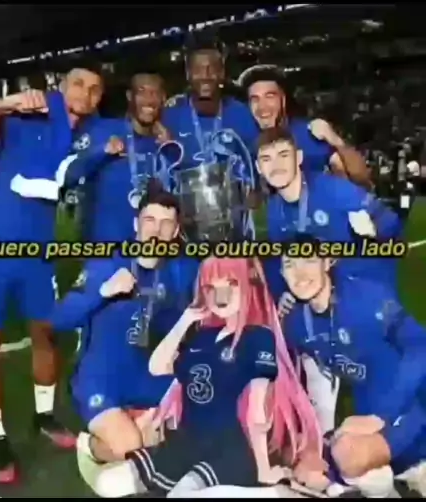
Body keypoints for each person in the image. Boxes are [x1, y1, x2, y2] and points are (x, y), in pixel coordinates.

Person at [0, 61, 104, 483]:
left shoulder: (90, 133)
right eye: (78, 83)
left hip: (37, 254)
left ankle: (44, 415)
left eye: (95, 88)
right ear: (62, 84)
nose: (85, 93)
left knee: (46, 333)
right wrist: (5, 103)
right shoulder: (27, 113)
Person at [92, 256, 325, 498]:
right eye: (211, 288)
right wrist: (185, 320)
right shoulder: (203, 337)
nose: (220, 296)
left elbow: (258, 411)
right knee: (107, 483)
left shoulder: (258, 337)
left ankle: (276, 494)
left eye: (231, 284)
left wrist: (263, 469)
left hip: (231, 448)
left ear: (248, 285)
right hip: (187, 442)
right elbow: (157, 366)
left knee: (180, 496)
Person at [258, 126, 401, 438]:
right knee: (315, 364)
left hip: (366, 298)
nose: (276, 165)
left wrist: (373, 234)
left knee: (382, 398)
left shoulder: (334, 191)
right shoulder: (274, 212)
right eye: (267, 159)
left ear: (298, 158)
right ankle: (322, 436)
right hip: (323, 302)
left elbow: (390, 224)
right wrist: (286, 291)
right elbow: (285, 259)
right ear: (259, 167)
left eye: (283, 155)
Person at [50, 186, 196, 470]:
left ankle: (142, 425)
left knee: (200, 421)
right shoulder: (108, 263)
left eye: (166, 223)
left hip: (145, 373)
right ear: (136, 224)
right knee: (133, 448)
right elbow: (59, 319)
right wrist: (102, 292)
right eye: (150, 220)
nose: (157, 230)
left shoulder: (180, 269)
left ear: (176, 231)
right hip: (100, 377)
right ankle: (90, 446)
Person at [280, 236, 426, 498]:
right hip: (367, 421)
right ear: (281, 273)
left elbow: (420, 345)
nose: (300, 274)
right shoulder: (297, 324)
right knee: (305, 466)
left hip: (412, 409)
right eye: (290, 264)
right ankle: (386, 483)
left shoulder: (365, 298)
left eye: (309, 261)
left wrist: (380, 415)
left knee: (347, 456)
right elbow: (311, 380)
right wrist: (317, 441)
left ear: (327, 262)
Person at [60, 70, 180, 243]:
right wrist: (103, 151)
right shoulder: (104, 131)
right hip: (106, 250)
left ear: (163, 98)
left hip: (151, 249)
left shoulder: (165, 142)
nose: (149, 99)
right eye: (141, 91)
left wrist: (169, 150)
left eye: (155, 93)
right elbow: (69, 175)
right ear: (130, 96)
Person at [163, 34, 260, 237]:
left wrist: (256, 190)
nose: (205, 76)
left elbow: (256, 162)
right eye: (198, 69)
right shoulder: (170, 116)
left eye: (212, 68)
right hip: (186, 226)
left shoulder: (241, 113)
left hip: (235, 224)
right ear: (188, 74)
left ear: (222, 73)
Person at [241, 65, 371, 188]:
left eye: (269, 97)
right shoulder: (245, 141)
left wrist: (335, 140)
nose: (262, 106)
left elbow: (361, 179)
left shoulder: (309, 133)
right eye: (255, 99)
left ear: (283, 100)